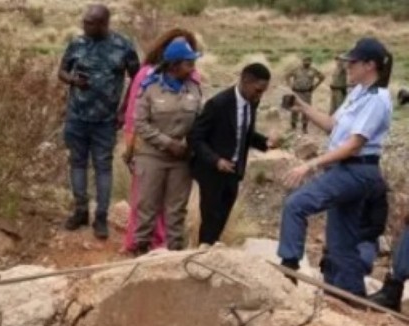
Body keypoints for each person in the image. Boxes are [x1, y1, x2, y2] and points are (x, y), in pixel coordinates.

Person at [278, 38, 393, 298]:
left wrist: (311, 163)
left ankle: (289, 269)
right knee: (341, 245)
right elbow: (333, 125)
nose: (347, 66)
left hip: (356, 170)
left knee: (296, 204)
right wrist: (303, 107)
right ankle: (352, 299)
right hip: (347, 170)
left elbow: (354, 144)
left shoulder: (378, 98)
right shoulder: (358, 93)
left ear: (370, 65)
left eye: (353, 62)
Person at [58, 4, 140, 240]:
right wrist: (74, 80)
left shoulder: (123, 46)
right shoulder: (77, 43)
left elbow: (137, 81)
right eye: (84, 22)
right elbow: (61, 71)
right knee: (77, 163)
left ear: (104, 23)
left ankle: (101, 217)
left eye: (90, 23)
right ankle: (81, 211)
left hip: (106, 120)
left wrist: (125, 111)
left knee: (103, 167)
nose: (84, 26)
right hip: (76, 117)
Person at [121, 28, 199, 254]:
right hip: (152, 156)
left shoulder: (194, 88)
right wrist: (167, 143)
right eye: (188, 63)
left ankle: (174, 253)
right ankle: (140, 250)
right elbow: (140, 122)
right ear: (174, 65)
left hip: (181, 159)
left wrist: (189, 145)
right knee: (146, 206)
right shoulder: (150, 87)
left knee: (176, 209)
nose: (193, 67)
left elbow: (199, 120)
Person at [190, 64, 274, 247]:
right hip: (212, 173)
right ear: (245, 81)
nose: (259, 96)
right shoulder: (218, 104)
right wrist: (216, 160)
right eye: (258, 90)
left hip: (234, 171)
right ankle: (202, 255)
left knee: (222, 218)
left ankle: (213, 251)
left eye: (263, 92)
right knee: (210, 219)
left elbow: (244, 132)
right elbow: (196, 137)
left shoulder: (252, 102)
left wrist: (264, 142)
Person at [285, 57, 325, 134]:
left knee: (306, 110)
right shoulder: (296, 69)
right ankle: (293, 126)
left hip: (307, 93)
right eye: (305, 60)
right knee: (294, 108)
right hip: (296, 92)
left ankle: (304, 127)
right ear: (302, 61)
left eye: (308, 61)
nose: (307, 62)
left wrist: (315, 86)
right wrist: (290, 86)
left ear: (311, 62)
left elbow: (322, 77)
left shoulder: (313, 70)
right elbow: (287, 76)